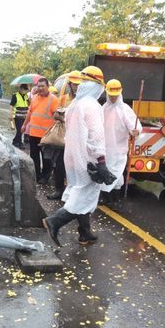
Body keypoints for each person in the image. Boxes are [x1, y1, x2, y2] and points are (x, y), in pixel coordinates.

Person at [42, 65, 112, 246]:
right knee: (84, 195)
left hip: (72, 157)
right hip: (87, 158)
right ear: (97, 86)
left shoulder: (74, 104)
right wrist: (101, 162)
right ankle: (55, 221)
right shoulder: (92, 106)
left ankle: (85, 232)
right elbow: (96, 136)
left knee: (80, 191)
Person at [101, 79, 142, 200]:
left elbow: (135, 126)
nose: (113, 98)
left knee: (117, 174)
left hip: (119, 149)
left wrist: (135, 131)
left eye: (115, 96)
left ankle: (115, 199)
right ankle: (106, 198)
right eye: (111, 95)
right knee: (106, 172)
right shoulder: (104, 108)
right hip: (105, 148)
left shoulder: (125, 109)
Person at [47, 70, 84, 200]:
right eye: (74, 84)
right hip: (64, 137)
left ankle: (75, 194)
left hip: (79, 138)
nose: (77, 87)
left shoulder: (85, 100)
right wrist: (66, 119)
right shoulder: (63, 99)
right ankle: (59, 191)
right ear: (70, 85)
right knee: (60, 165)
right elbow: (56, 114)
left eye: (79, 84)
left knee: (77, 167)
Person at [21, 78, 59, 184]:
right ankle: (36, 175)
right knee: (34, 157)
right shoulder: (35, 98)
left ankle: (45, 176)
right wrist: (24, 125)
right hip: (33, 134)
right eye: (39, 86)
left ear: (48, 87)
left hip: (46, 135)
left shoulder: (53, 99)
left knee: (46, 158)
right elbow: (29, 113)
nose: (40, 88)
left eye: (43, 86)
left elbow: (57, 116)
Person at [9, 84, 29, 149]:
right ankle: (19, 143)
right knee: (20, 130)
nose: (24, 91)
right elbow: (11, 105)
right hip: (17, 116)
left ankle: (15, 141)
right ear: (20, 89)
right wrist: (10, 114)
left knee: (22, 130)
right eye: (23, 90)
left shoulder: (26, 96)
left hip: (24, 116)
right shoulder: (15, 96)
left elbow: (28, 104)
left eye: (25, 90)